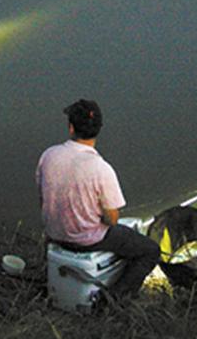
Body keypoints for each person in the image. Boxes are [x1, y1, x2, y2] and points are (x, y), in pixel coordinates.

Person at [36, 99, 160, 302]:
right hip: (87, 241)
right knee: (150, 250)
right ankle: (116, 299)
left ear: (71, 128)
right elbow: (111, 219)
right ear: (98, 130)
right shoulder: (101, 168)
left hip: (54, 233)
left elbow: (43, 198)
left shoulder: (48, 155)